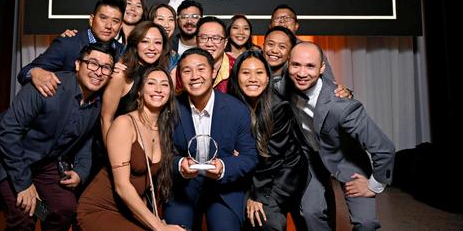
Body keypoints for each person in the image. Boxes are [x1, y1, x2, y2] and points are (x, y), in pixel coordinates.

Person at [0, 43, 116, 231]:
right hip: (7, 154)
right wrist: (24, 184)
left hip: (44, 160)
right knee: (24, 215)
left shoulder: (99, 103)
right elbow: (8, 133)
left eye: (106, 67)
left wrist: (81, 171)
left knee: (63, 209)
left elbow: (86, 139)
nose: (98, 72)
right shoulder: (47, 86)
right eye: (92, 63)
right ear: (77, 64)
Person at [286, 42, 395, 231]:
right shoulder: (283, 87)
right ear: (288, 64)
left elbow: (384, 148)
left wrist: (374, 185)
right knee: (311, 212)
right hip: (311, 159)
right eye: (296, 65)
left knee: (366, 223)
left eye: (310, 66)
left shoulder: (342, 106)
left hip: (347, 160)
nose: (302, 73)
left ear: (322, 68)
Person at [77, 67, 185, 231]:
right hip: (99, 209)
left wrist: (157, 220)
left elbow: (147, 186)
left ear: (170, 93)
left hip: (129, 212)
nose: (158, 89)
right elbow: (122, 186)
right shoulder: (124, 124)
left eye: (164, 85)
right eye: (151, 83)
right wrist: (158, 227)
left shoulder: (163, 130)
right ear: (139, 91)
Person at [164, 48, 258, 231]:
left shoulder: (237, 110)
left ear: (213, 72)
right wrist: (180, 164)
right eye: (187, 71)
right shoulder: (171, 109)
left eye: (201, 69)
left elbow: (250, 156)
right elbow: (162, 154)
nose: (194, 76)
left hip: (224, 189)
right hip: (183, 187)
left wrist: (223, 167)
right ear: (180, 77)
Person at [228, 50, 308, 231]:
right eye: (246, 72)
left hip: (281, 171)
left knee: (264, 218)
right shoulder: (231, 103)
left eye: (259, 72)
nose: (253, 79)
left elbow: (273, 157)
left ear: (268, 77)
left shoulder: (279, 106)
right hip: (251, 170)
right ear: (236, 77)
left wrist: (257, 196)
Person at [17, 0, 125, 97]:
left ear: (120, 26)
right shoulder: (68, 44)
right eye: (103, 18)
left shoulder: (123, 52)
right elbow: (25, 72)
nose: (108, 26)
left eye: (115, 21)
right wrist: (35, 72)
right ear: (91, 20)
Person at [101, 21, 171, 143]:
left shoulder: (162, 75)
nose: (152, 47)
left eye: (157, 42)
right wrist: (112, 150)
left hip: (148, 145)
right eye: (145, 41)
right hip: (121, 144)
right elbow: (106, 119)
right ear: (135, 44)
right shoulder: (121, 75)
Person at [268, 4, 336, 82]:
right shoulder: (267, 52)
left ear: (296, 26)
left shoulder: (312, 50)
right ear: (270, 26)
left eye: (287, 18)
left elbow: (329, 82)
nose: (282, 21)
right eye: (277, 18)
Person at [196, 16, 235, 93]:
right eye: (203, 37)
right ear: (196, 41)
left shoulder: (236, 68)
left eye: (216, 38)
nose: (209, 44)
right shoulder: (186, 66)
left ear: (225, 43)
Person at [149, 2, 179, 70]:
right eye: (161, 19)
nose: (166, 25)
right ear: (151, 21)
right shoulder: (137, 48)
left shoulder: (174, 58)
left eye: (171, 20)